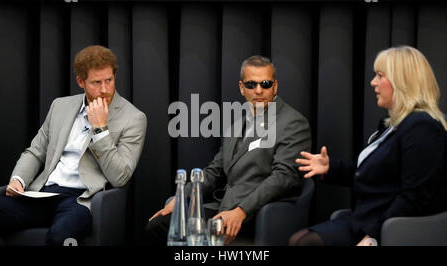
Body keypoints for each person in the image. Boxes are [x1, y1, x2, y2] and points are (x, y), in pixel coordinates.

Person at [289, 46, 447, 246]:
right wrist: (329, 168)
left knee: (306, 243)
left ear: (402, 82)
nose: (373, 82)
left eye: (380, 76)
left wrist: (372, 236)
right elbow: (372, 175)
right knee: (297, 240)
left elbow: (413, 197)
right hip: (366, 218)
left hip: (392, 226)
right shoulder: (393, 126)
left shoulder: (422, 128)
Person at [145, 55, 311, 245]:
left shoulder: (293, 123)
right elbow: (215, 170)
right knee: (159, 225)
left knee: (194, 237)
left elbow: (283, 177)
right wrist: (184, 194)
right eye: (251, 85)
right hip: (223, 206)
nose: (259, 90)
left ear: (275, 86)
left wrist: (241, 211)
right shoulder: (237, 125)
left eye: (265, 84)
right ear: (242, 88)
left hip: (257, 213)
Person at [0, 45, 147, 246]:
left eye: (109, 80)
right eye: (96, 82)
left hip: (81, 201)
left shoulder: (133, 118)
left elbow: (120, 177)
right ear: (80, 81)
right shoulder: (60, 106)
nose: (104, 89)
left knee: (60, 238)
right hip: (43, 194)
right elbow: (36, 151)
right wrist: (18, 180)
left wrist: (100, 129)